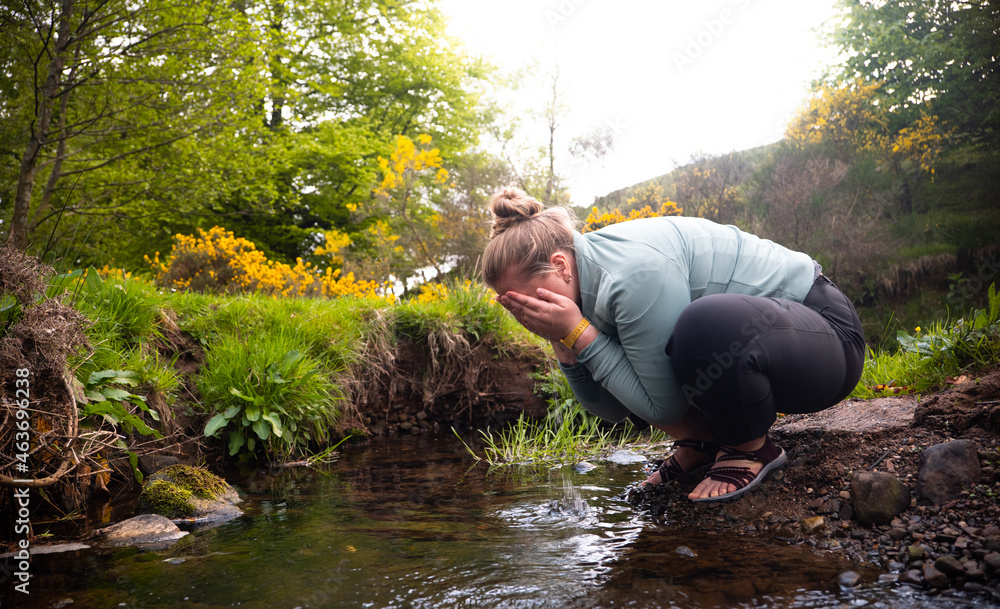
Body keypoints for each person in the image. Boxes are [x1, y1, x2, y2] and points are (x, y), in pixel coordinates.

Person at [482, 186, 866, 502]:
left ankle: (750, 448)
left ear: (561, 265)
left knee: (703, 323)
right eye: (514, 307)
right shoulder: (584, 285)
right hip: (769, 353)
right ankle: (702, 442)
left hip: (826, 342)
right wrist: (566, 342)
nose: (528, 312)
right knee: (630, 361)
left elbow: (664, 405)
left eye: (529, 300)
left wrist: (579, 333)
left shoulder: (631, 274)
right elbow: (612, 409)